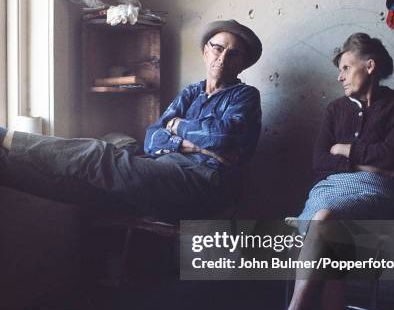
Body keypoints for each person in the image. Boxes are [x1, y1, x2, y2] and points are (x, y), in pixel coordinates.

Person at [250, 33, 394, 310]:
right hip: (328, 191)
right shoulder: (334, 110)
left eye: (345, 67)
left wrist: (345, 149)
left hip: (377, 196)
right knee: (331, 237)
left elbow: (391, 161)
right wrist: (366, 161)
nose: (339, 76)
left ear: (369, 66)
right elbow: (319, 162)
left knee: (326, 221)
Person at [0, 20, 262, 222]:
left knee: (97, 154)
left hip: (203, 186)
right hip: (161, 171)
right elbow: (152, 137)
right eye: (218, 48)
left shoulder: (245, 96)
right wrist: (192, 144)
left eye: (234, 54)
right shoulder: (192, 92)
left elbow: (222, 137)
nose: (223, 57)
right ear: (206, 52)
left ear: (242, 65)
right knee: (79, 187)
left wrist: (176, 127)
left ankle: (6, 137)